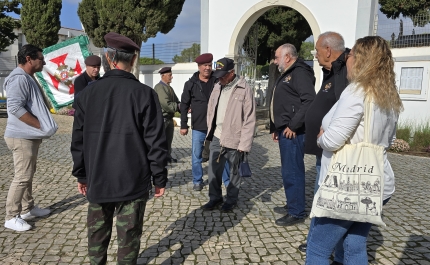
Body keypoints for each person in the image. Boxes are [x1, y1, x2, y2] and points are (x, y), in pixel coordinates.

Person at [71, 32, 168, 264]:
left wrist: (81, 173)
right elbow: (156, 141)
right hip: (132, 180)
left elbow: (78, 140)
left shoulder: (87, 94)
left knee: (96, 236)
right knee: (129, 238)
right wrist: (160, 178)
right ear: (133, 60)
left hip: (98, 177)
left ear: (108, 57)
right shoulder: (145, 94)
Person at [305, 36, 403, 264]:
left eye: (350, 55)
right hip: (376, 183)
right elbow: (388, 140)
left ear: (359, 60)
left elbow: (333, 140)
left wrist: (321, 138)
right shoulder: (387, 95)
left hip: (347, 186)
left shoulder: (357, 92)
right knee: (353, 246)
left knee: (317, 250)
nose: (347, 59)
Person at [298, 32, 350, 254]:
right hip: (324, 147)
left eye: (317, 50)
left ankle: (319, 245)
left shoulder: (346, 71)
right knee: (321, 196)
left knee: (325, 197)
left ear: (328, 50)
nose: (316, 55)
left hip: (334, 147)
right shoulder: (332, 71)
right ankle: (321, 242)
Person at [3, 44, 58, 231]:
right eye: (40, 58)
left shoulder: (27, 78)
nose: (43, 62)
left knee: (28, 174)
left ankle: (28, 208)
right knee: (22, 176)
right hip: (21, 137)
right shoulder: (19, 79)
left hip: (27, 136)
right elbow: (15, 108)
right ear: (29, 59)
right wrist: (40, 125)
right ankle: (11, 216)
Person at [270, 43, 316, 226]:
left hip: (293, 132)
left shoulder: (299, 73)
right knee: (288, 170)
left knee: (293, 171)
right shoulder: (288, 73)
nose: (274, 61)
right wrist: (276, 127)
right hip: (284, 130)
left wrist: (293, 125)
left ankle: (296, 212)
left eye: (276, 57)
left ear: (287, 57)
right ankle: (292, 204)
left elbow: (309, 100)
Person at [202, 57, 256, 212]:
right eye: (218, 74)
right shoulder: (217, 86)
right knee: (213, 171)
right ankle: (215, 198)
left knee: (234, 173)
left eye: (224, 75)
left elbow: (249, 118)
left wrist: (244, 144)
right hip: (217, 136)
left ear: (232, 72)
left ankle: (231, 200)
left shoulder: (244, 89)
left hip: (235, 138)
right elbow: (211, 109)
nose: (221, 78)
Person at [180, 53, 229, 191]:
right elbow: (184, 105)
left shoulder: (218, 81)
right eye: (204, 65)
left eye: (209, 65)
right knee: (196, 155)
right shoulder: (190, 84)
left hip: (216, 126)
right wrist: (184, 125)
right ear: (199, 67)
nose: (207, 68)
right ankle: (197, 180)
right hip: (199, 126)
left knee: (221, 154)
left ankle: (227, 181)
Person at [154, 66, 180, 163]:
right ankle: (160, 158)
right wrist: (178, 107)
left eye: (171, 75)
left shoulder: (169, 88)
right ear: (163, 75)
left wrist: (182, 106)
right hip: (162, 118)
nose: (171, 77)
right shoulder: (160, 88)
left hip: (169, 118)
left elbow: (176, 101)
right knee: (161, 140)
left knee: (168, 139)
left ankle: (167, 156)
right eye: (169, 75)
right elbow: (166, 104)